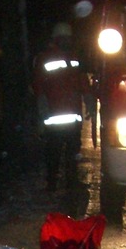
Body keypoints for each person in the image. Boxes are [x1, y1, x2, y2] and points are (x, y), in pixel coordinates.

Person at [32, 22, 88, 190]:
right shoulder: (45, 58)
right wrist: (41, 104)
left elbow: (82, 81)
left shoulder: (74, 58)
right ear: (56, 39)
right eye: (64, 38)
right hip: (54, 117)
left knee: (70, 152)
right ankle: (53, 183)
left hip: (70, 117)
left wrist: (89, 98)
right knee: (54, 152)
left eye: (68, 38)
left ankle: (69, 182)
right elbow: (38, 85)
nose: (66, 41)